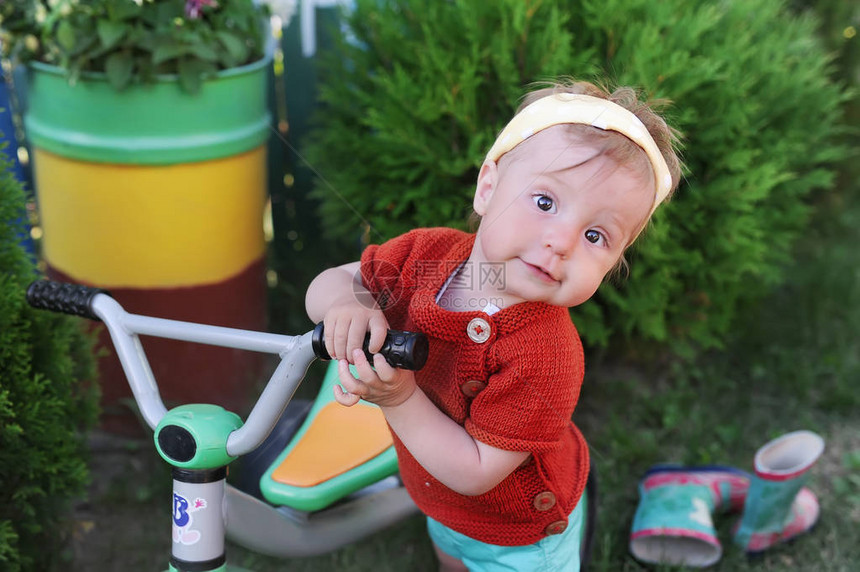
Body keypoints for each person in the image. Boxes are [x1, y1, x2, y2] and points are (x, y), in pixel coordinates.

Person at [305, 79, 682, 571]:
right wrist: (344, 304)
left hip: (520, 534)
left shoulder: (548, 355)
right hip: (441, 503)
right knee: (453, 556)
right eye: (545, 202)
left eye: (596, 235)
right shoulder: (427, 256)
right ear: (488, 187)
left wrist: (399, 398)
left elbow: (476, 471)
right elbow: (335, 280)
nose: (562, 242)